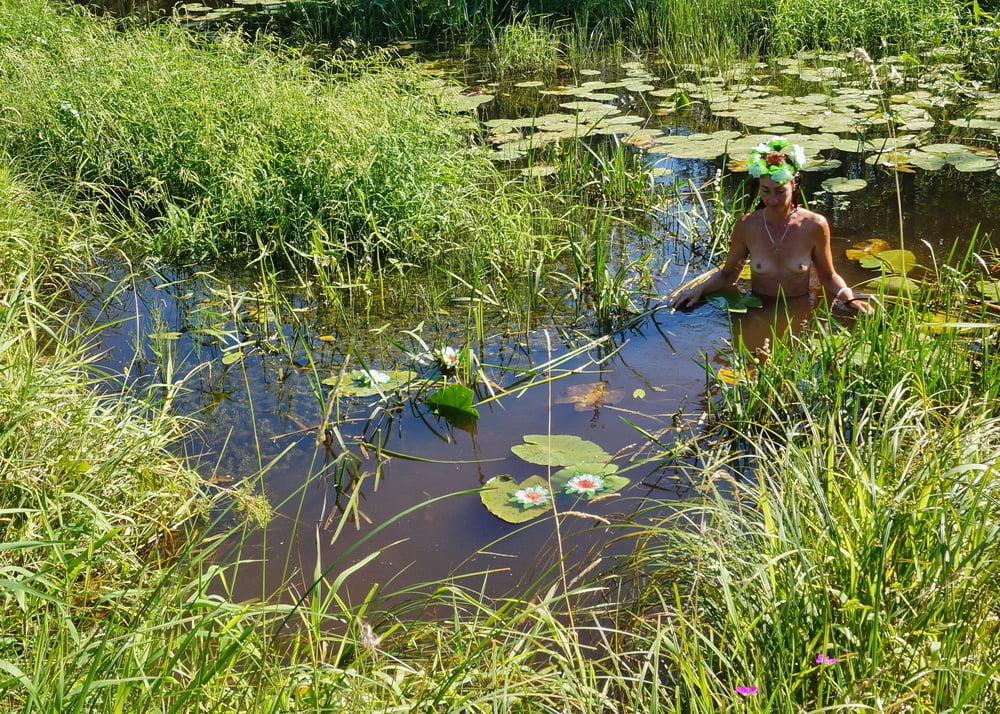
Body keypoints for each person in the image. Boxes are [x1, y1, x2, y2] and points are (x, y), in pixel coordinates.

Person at [668, 137, 872, 315]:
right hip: (757, 309)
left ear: (794, 184)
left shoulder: (814, 225)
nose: (772, 200)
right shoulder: (747, 225)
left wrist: (849, 298)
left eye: (780, 191)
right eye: (765, 191)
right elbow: (728, 275)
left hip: (797, 309)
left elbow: (828, 276)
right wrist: (698, 290)